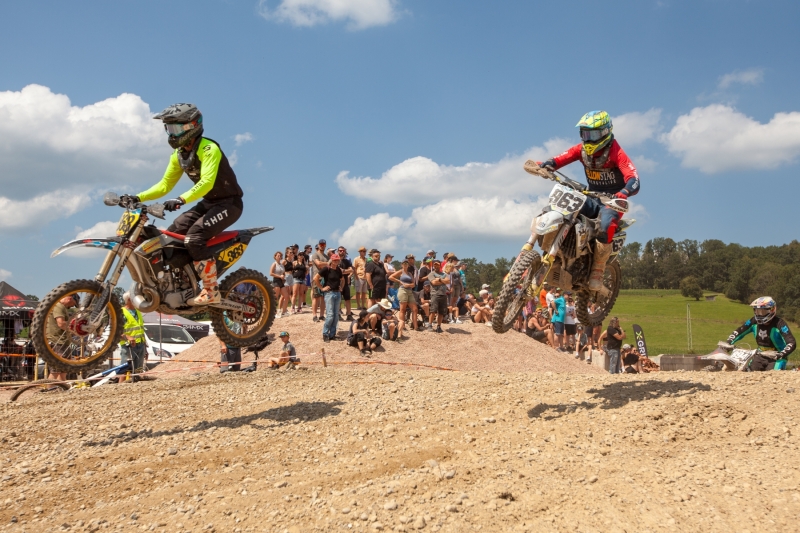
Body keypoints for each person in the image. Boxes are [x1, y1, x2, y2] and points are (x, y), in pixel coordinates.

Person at [131, 103, 243, 305]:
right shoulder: (178, 155)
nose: (172, 134)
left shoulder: (209, 148)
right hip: (209, 203)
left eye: (176, 128)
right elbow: (165, 185)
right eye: (169, 129)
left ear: (192, 126)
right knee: (171, 236)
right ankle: (182, 284)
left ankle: (211, 290)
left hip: (229, 204)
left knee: (193, 238)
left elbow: (206, 183)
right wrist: (137, 197)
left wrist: (181, 199)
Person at [538, 110, 640, 290]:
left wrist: (623, 192)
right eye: (585, 134)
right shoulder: (581, 150)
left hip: (611, 201)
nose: (589, 139)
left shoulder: (616, 152)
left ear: (605, 132)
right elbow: (562, 158)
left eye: (593, 134)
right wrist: (548, 164)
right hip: (591, 197)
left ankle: (598, 270)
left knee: (607, 224)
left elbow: (634, 178)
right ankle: (556, 252)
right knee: (564, 205)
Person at [728, 296, 796, 371]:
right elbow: (740, 331)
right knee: (748, 374)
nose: (760, 314)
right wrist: (728, 342)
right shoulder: (753, 321)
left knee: (772, 376)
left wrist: (781, 354)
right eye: (757, 311)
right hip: (760, 355)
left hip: (777, 358)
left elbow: (791, 342)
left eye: (763, 311)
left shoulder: (780, 324)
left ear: (772, 310)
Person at [44, 294, 78, 382]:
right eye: (73, 304)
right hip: (58, 342)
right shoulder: (59, 307)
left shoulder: (60, 307)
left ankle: (61, 389)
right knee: (55, 371)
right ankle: (49, 391)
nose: (72, 306)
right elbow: (61, 323)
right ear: (70, 298)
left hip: (61, 342)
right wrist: (76, 330)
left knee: (63, 370)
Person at [314, 253, 344, 342]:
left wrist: (341, 287)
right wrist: (321, 288)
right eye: (335, 260)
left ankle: (332, 334)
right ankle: (325, 333)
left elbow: (343, 279)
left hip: (337, 293)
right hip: (329, 293)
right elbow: (316, 278)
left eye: (338, 260)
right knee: (330, 315)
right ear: (331, 260)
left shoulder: (338, 270)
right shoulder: (326, 269)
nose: (336, 261)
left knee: (336, 315)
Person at [118, 293, 146, 382]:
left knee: (138, 371)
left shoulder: (138, 312)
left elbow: (141, 330)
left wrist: (145, 346)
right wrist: (127, 337)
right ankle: (118, 390)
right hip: (128, 347)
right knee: (124, 370)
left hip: (140, 345)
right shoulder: (121, 312)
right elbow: (117, 331)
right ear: (129, 299)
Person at [389, 261, 419, 331]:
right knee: (403, 309)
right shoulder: (400, 271)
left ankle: (416, 326)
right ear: (402, 265)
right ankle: (402, 326)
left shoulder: (409, 273)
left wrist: (408, 285)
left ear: (408, 265)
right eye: (404, 264)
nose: (405, 265)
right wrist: (399, 281)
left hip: (409, 291)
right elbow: (391, 277)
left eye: (406, 264)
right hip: (402, 290)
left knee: (415, 309)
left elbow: (413, 284)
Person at [428, 259, 450, 333]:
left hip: (443, 294)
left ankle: (439, 326)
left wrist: (439, 280)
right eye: (435, 265)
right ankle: (430, 325)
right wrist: (443, 281)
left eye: (437, 265)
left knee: (441, 312)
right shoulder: (431, 274)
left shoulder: (443, 274)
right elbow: (433, 282)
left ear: (440, 265)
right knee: (433, 310)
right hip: (435, 294)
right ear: (433, 266)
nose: (436, 266)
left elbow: (448, 281)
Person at [310, 240, 329, 322]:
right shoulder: (315, 255)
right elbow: (319, 264)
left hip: (324, 278)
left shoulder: (326, 256)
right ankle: (314, 315)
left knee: (323, 298)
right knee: (316, 297)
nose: (322, 245)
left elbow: (325, 265)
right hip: (317, 277)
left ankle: (321, 315)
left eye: (323, 244)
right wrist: (327, 263)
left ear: (325, 245)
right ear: (318, 245)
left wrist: (325, 263)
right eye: (321, 244)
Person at [337, 246, 355, 321]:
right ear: (338, 251)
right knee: (338, 299)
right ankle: (338, 314)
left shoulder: (347, 261)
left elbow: (351, 270)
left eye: (343, 251)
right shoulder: (335, 260)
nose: (341, 252)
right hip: (337, 282)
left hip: (346, 282)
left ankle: (349, 314)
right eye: (340, 251)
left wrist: (343, 271)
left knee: (347, 299)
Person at [269, 251, 286, 318]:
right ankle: (273, 312)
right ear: (275, 257)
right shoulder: (274, 264)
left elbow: (283, 272)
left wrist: (283, 276)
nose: (279, 257)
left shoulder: (282, 265)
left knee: (286, 295)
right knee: (275, 297)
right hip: (276, 281)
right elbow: (271, 273)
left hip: (281, 281)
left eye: (280, 256)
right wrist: (279, 276)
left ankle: (284, 311)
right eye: (278, 255)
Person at [353, 246, 369, 311]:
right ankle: (358, 305)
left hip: (365, 277)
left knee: (364, 292)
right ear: (360, 252)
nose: (364, 252)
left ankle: (363, 305)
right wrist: (356, 276)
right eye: (363, 251)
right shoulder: (356, 259)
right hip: (359, 276)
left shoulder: (367, 260)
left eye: (365, 251)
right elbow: (354, 268)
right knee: (358, 292)